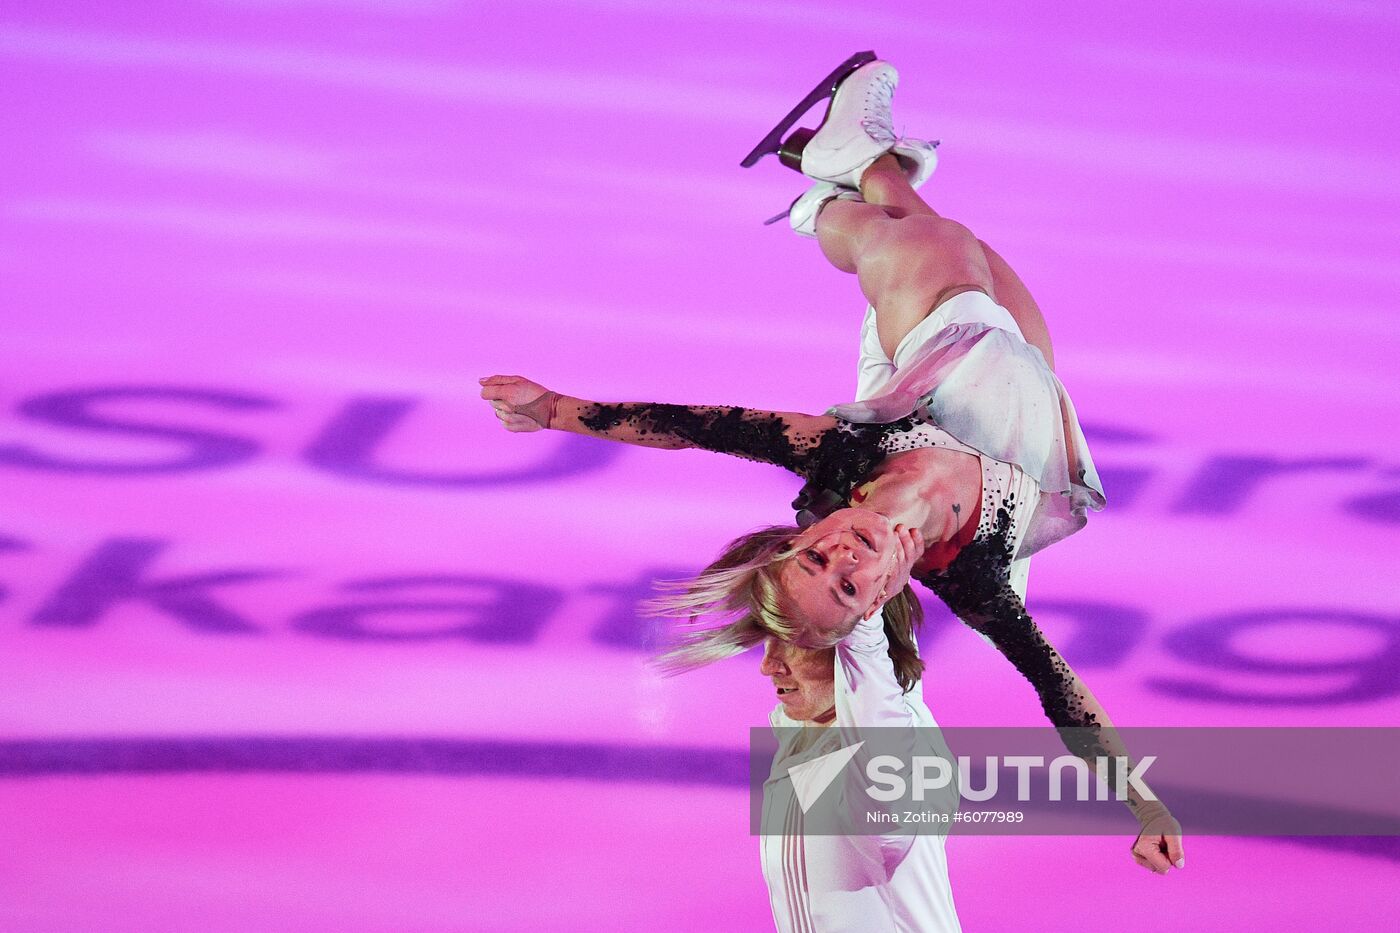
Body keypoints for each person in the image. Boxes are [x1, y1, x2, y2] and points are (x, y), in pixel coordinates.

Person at [481, 53, 1185, 880]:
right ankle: (835, 178)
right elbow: (1063, 696)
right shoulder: (978, 576)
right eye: (849, 582)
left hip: (927, 379)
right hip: (1026, 422)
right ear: (884, 595)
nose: (845, 554)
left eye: (816, 554)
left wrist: (556, 409)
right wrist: (1146, 805)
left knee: (941, 251)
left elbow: (695, 426)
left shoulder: (842, 462)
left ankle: (839, 180)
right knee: (971, 254)